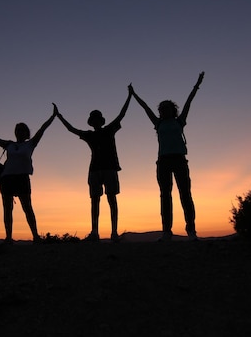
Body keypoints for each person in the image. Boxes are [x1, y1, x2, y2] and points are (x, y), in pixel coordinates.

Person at [129, 72, 204, 241]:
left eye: (166, 108)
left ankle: (191, 231)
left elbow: (189, 101)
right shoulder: (158, 123)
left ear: (173, 110)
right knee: (165, 195)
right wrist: (134, 95)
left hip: (179, 160)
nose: (163, 110)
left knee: (185, 194)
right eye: (161, 109)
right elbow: (145, 107)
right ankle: (166, 232)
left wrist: (197, 84)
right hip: (163, 161)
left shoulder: (179, 121)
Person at [53, 88, 132, 242]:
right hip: (95, 170)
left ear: (101, 122)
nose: (96, 122)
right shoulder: (89, 135)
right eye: (94, 120)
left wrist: (129, 96)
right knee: (95, 200)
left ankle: (114, 232)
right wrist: (59, 116)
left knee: (111, 199)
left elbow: (122, 114)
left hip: (109, 168)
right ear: (92, 122)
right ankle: (95, 232)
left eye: (97, 120)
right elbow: (71, 129)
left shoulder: (109, 130)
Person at [0, 106, 57, 243]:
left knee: (27, 208)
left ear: (27, 133)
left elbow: (42, 129)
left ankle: (36, 236)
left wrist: (53, 116)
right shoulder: (9, 144)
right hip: (6, 179)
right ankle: (8, 237)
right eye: (17, 130)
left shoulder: (31, 144)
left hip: (22, 178)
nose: (19, 132)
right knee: (7, 209)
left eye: (22, 130)